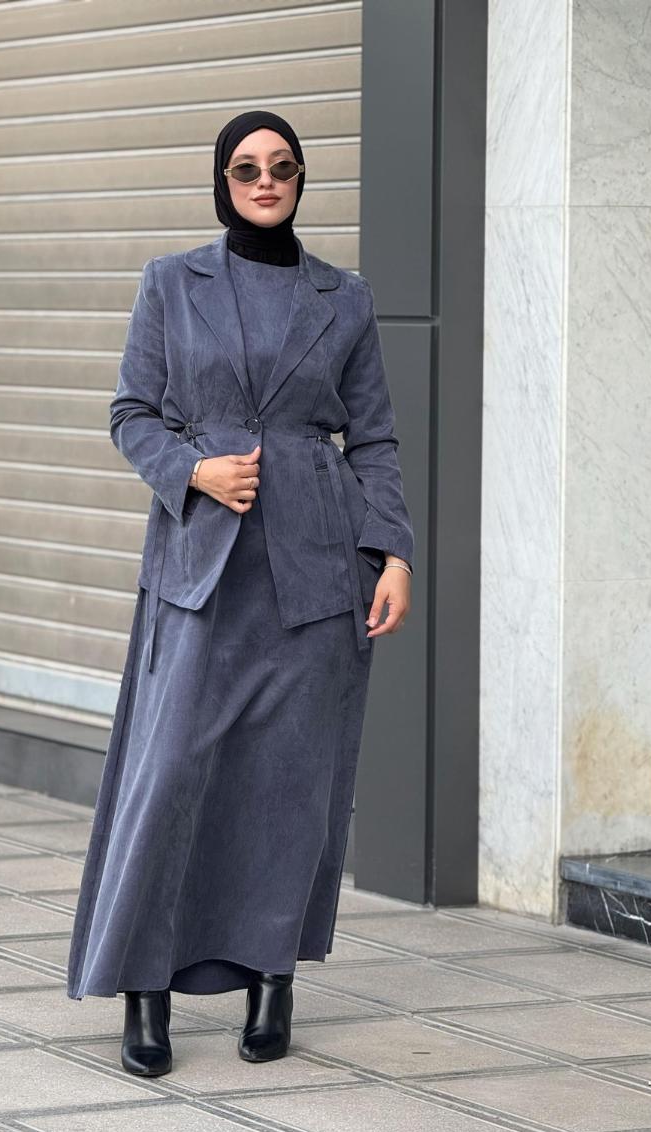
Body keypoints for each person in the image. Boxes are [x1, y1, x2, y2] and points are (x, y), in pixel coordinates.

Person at [64, 110, 415, 1077]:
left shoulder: (344, 299)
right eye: (247, 168)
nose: (266, 181)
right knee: (170, 774)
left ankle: (272, 979)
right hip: (201, 566)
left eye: (283, 167)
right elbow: (131, 413)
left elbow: (374, 438)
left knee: (288, 786)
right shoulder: (171, 283)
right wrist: (193, 471)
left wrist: (393, 553)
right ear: (221, 181)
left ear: (301, 181)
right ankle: (143, 991)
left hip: (317, 569)